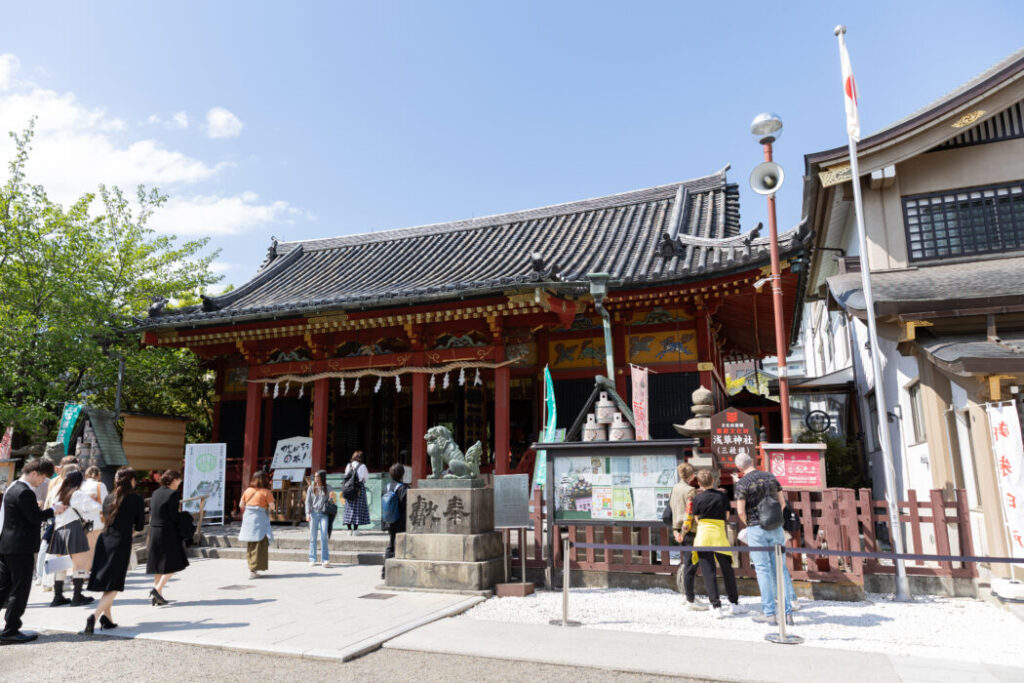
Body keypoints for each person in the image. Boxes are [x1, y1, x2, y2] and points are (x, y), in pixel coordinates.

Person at [0, 458, 63, 644]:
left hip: (7, 545)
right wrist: (53, 510)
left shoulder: (13, 487)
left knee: (4, 587)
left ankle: (10, 627)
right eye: (43, 477)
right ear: (34, 472)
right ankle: (11, 629)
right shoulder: (25, 492)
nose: (43, 481)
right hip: (21, 547)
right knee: (20, 589)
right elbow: (35, 518)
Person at [81, 467, 146, 635]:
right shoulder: (136, 499)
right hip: (121, 543)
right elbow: (139, 525)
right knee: (115, 584)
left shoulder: (109, 497)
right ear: (131, 480)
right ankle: (94, 616)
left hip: (105, 540)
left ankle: (107, 619)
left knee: (109, 583)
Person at [734, 452, 796, 625]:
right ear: (752, 461)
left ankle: (769, 613)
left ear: (740, 468)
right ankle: (787, 613)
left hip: (756, 528)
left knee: (763, 570)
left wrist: (751, 524)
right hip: (776, 527)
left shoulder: (742, 483)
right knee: (780, 569)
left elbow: (740, 510)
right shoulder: (770, 477)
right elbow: (782, 503)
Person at [691, 469, 742, 618]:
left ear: (699, 484)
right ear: (713, 481)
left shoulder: (698, 499)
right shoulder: (722, 496)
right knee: (727, 570)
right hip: (719, 534)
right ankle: (734, 603)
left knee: (709, 572)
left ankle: (716, 606)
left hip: (704, 535)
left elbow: (696, 518)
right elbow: (726, 515)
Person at [46, 470, 102, 607]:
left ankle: (57, 596)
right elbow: (96, 508)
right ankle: (77, 596)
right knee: (80, 565)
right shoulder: (77, 493)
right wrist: (92, 499)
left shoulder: (57, 493)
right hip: (73, 528)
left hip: (59, 530)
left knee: (61, 564)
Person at [146, 469, 189, 605]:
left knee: (158, 564)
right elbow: (174, 516)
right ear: (174, 480)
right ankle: (157, 589)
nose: (180, 483)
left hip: (154, 530)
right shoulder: (173, 494)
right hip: (167, 531)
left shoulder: (155, 493)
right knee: (175, 562)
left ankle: (157, 597)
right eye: (179, 480)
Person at [669, 463, 703, 610]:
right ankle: (690, 598)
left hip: (678, 527)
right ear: (691, 476)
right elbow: (689, 514)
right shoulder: (690, 490)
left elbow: (672, 508)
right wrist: (683, 532)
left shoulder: (675, 488)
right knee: (691, 565)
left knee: (687, 562)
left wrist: (675, 531)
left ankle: (687, 595)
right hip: (688, 531)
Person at [238, 471, 275, 579]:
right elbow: (272, 507)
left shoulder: (247, 491)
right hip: (260, 518)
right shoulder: (266, 492)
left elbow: (241, 505)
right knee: (259, 544)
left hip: (249, 519)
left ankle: (251, 567)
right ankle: (254, 569)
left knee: (251, 544)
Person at [381, 463, 407, 579]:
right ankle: (395, 570)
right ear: (402, 474)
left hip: (388, 520)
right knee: (398, 545)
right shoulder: (403, 489)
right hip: (400, 521)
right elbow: (405, 507)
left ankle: (385, 570)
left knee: (391, 544)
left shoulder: (385, 487)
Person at [80, 467, 108, 571]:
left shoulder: (81, 486)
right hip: (96, 520)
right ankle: (87, 571)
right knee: (92, 547)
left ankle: (84, 571)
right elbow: (106, 503)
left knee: (85, 546)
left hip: (83, 520)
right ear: (98, 475)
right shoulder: (100, 485)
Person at [305, 470, 332, 567]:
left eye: (317, 476)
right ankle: (312, 558)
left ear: (322, 478)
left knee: (324, 535)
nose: (315, 478)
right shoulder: (311, 488)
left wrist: (331, 498)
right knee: (313, 536)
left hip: (324, 514)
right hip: (313, 514)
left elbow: (331, 502)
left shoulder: (328, 487)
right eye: (315, 476)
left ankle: (325, 559)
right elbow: (308, 502)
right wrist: (307, 513)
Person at [342, 451, 370, 535]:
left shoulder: (348, 466)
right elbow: (365, 478)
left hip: (348, 488)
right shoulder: (362, 466)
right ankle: (355, 530)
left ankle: (349, 530)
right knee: (357, 509)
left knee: (349, 509)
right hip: (358, 488)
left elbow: (346, 476)